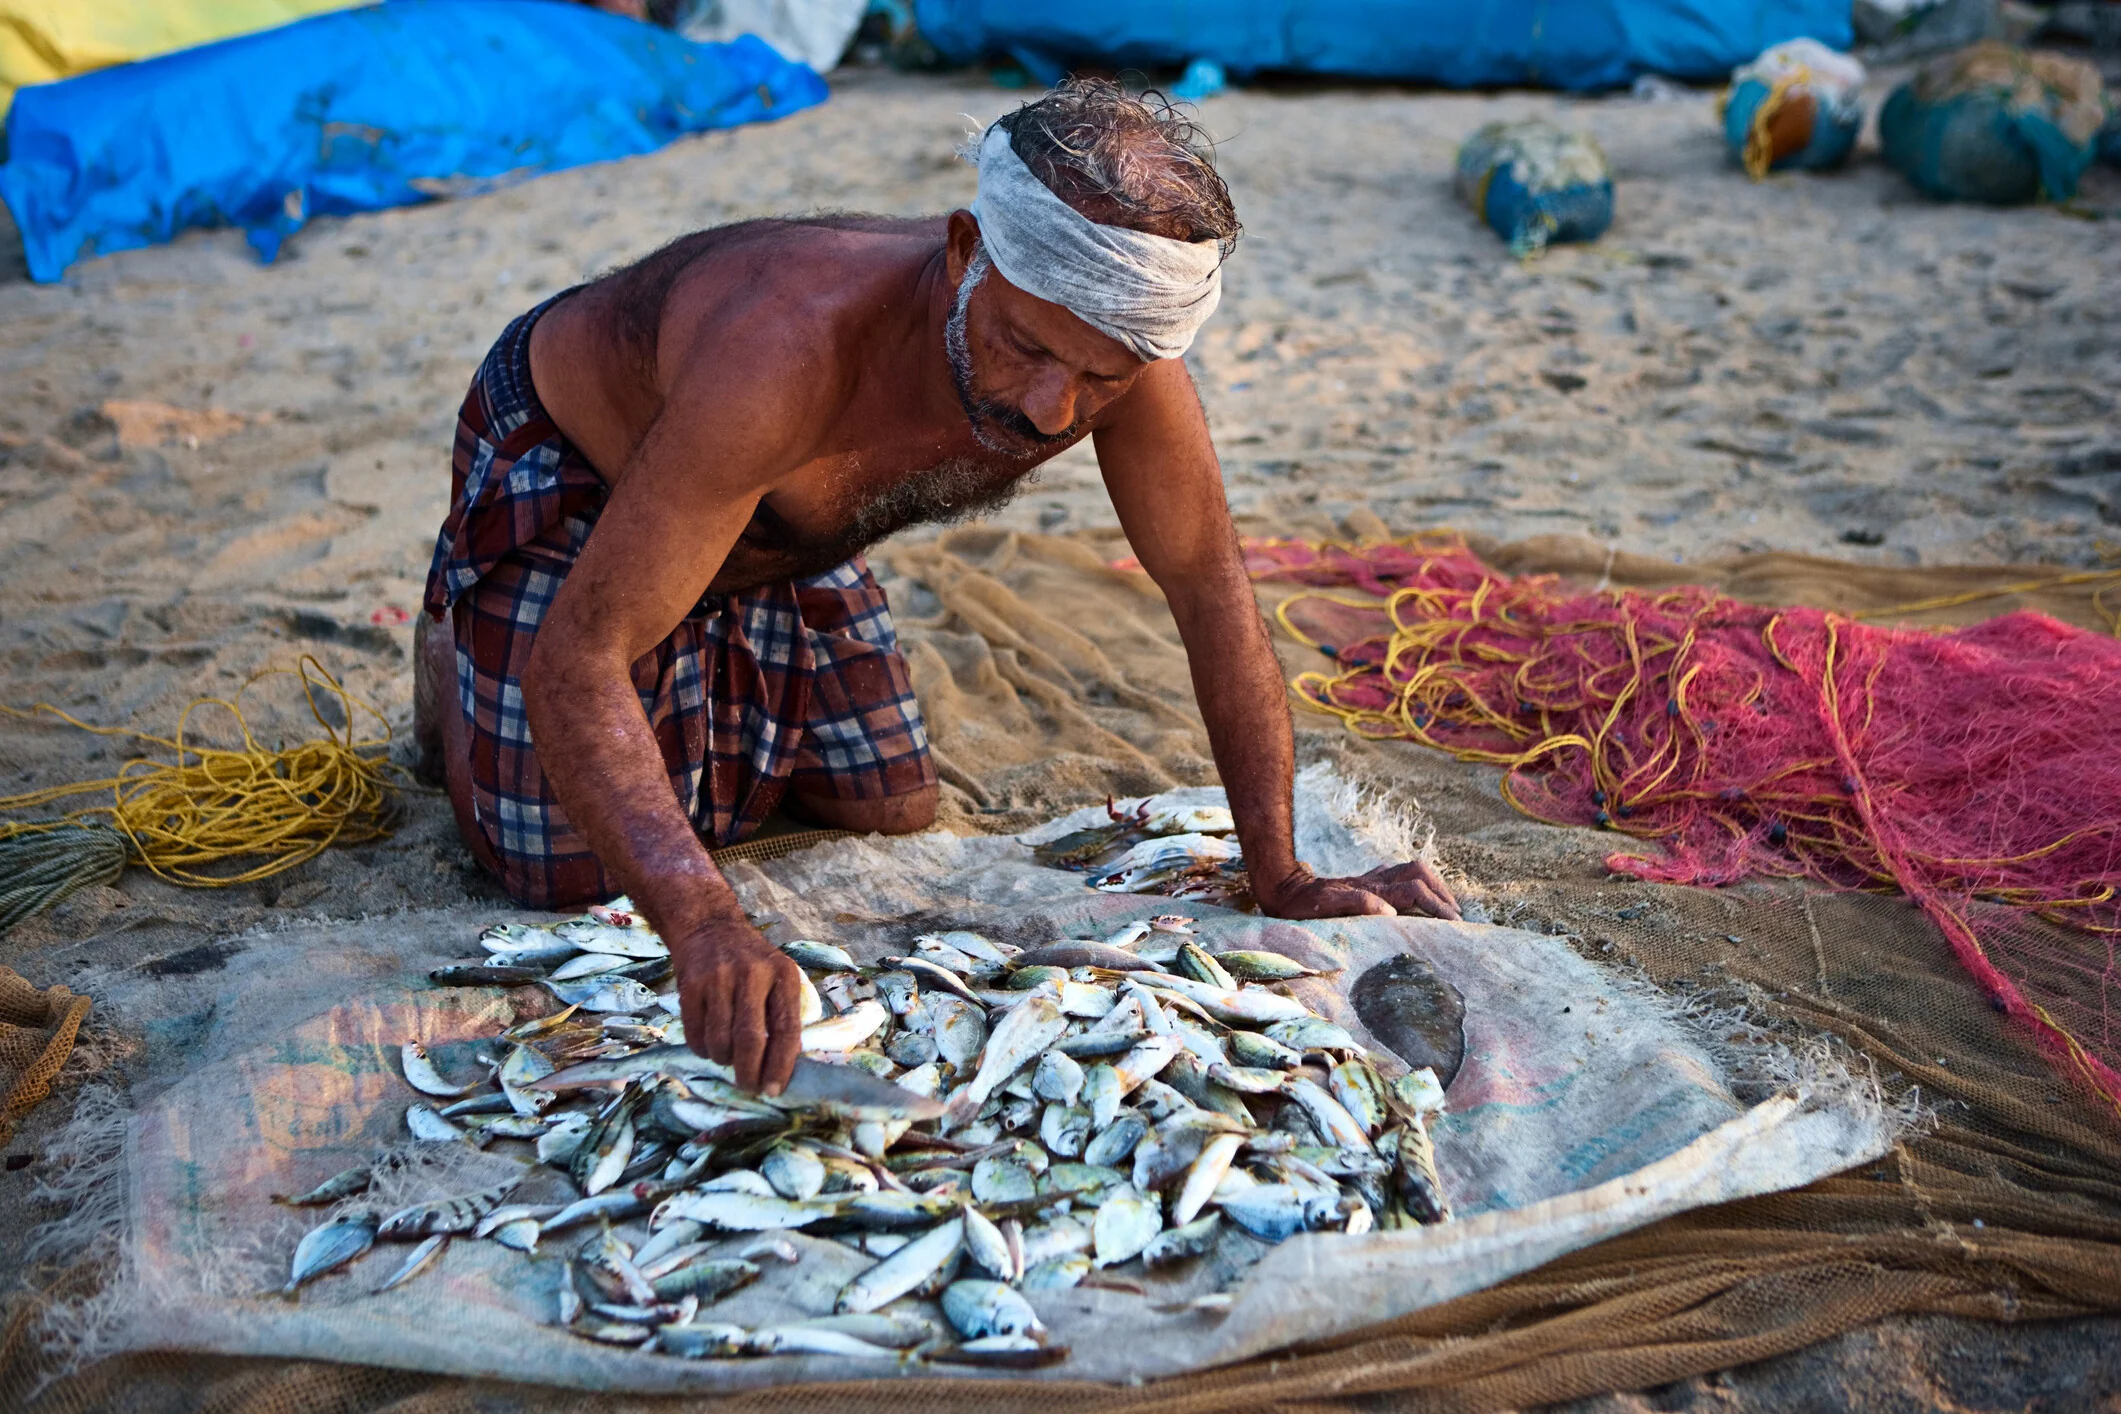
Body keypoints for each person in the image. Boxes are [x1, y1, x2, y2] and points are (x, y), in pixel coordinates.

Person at [414, 79, 1459, 1096]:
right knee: (567, 876)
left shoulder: (1116, 343)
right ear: (966, 252)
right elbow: (579, 662)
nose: (1054, 411)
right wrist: (704, 922)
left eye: (1101, 381)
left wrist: (1280, 869)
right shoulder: (785, 353)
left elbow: (1208, 585)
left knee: (891, 808)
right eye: (1025, 346)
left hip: (784, 523)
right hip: (590, 463)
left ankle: (704, 628)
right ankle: (453, 664)